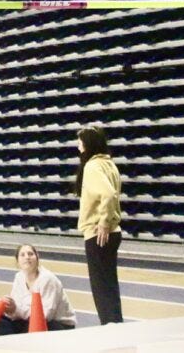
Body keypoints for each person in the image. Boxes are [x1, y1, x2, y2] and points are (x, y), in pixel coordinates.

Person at [76, 126, 123, 325]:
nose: (78, 146)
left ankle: (111, 330)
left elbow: (109, 193)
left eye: (80, 142)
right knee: (110, 288)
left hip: (98, 233)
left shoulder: (93, 167)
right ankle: (115, 327)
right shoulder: (109, 164)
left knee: (102, 291)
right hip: (112, 233)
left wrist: (103, 222)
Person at [0, 244, 76, 335]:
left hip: (57, 324)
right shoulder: (19, 277)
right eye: (23, 255)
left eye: (30, 254)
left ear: (37, 258)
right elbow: (16, 308)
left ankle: (19, 339)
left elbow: (45, 315)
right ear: (17, 261)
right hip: (27, 319)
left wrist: (16, 309)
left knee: (37, 326)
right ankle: (18, 338)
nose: (27, 257)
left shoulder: (48, 279)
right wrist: (9, 308)